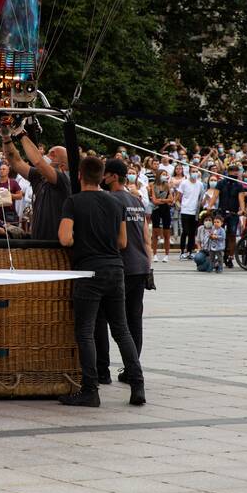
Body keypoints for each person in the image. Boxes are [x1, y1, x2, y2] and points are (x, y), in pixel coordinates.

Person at [57, 156, 145, 407]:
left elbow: (65, 239)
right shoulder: (116, 203)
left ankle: (90, 389)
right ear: (101, 176)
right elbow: (122, 242)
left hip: (89, 271)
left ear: (80, 176)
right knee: (121, 329)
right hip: (116, 269)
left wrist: (80, 238)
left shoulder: (73, 202)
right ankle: (137, 385)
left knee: (85, 331)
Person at [94, 159, 152, 386]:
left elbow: (115, 238)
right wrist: (149, 265)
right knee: (134, 320)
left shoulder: (110, 200)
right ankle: (131, 369)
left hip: (122, 265)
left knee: (103, 318)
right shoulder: (136, 200)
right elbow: (146, 237)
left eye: (105, 175)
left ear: (113, 177)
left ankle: (102, 370)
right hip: (140, 266)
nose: (102, 179)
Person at [0, 118, 71, 239]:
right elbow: (15, 161)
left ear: (63, 166)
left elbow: (38, 162)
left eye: (53, 155)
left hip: (54, 245)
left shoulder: (63, 180)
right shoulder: (39, 177)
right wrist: (6, 137)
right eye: (49, 152)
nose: (47, 156)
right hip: (37, 241)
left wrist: (21, 132)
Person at [216, 164, 247, 268]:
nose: (236, 173)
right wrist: (209, 207)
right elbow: (215, 195)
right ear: (229, 172)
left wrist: (242, 210)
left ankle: (230, 256)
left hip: (233, 213)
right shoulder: (221, 183)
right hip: (222, 211)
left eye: (237, 171)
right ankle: (217, 254)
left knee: (232, 235)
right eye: (234, 172)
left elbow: (241, 199)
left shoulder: (239, 185)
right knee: (218, 232)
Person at [176, 168, 202, 259]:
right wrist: (180, 206)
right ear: (189, 173)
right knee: (185, 231)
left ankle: (190, 251)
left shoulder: (200, 184)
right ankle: (182, 251)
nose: (195, 173)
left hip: (195, 212)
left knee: (192, 233)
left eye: (196, 171)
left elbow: (200, 197)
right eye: (193, 171)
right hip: (185, 211)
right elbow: (178, 197)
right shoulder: (184, 183)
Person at [0, 162, 24, 226]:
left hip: (10, 213)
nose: (1, 171)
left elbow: (20, 196)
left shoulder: (13, 182)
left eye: (4, 169)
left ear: (8, 171)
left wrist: (8, 195)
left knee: (11, 232)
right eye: (0, 169)